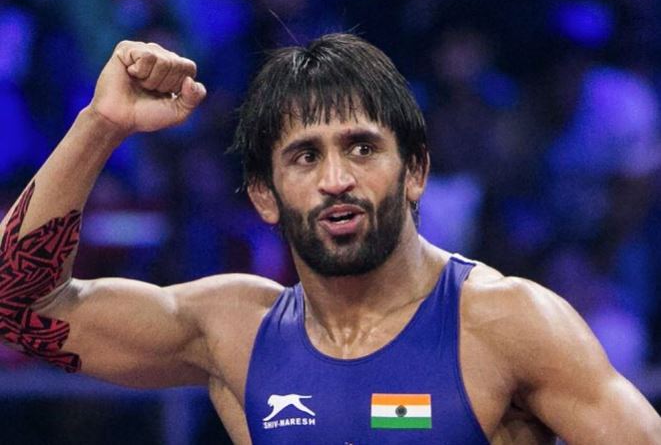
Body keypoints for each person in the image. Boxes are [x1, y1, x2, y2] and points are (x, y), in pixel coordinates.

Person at [0, 34, 659, 444]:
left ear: (415, 171)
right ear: (264, 195)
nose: (336, 179)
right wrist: (101, 124)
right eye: (305, 156)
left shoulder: (507, 321)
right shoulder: (232, 330)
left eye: (362, 148)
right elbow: (16, 303)